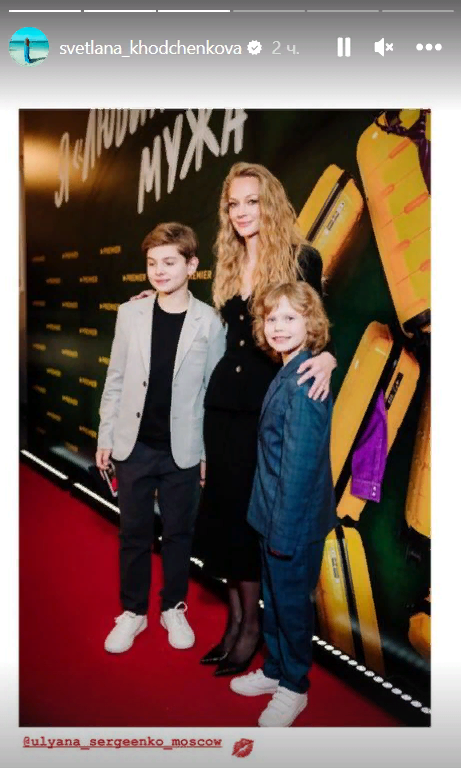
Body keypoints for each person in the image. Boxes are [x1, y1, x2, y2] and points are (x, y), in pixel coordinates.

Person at [194, 162, 337, 676]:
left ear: (269, 202)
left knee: (251, 521)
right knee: (224, 518)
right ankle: (235, 620)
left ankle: (252, 628)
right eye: (233, 203)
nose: (241, 212)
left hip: (265, 409)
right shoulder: (230, 261)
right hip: (222, 407)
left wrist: (329, 357)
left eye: (251, 201)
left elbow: (319, 323)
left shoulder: (301, 258)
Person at [96, 222, 225, 655]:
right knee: (133, 534)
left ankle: (173, 606)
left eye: (169, 262)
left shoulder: (210, 322)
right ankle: (133, 612)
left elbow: (211, 393)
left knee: (178, 535)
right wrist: (106, 436)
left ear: (192, 265)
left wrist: (206, 452)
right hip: (133, 446)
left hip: (181, 451)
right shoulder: (129, 314)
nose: (159, 271)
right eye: (152, 263)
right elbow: (115, 380)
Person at [229, 281, 338, 727]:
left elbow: (300, 468)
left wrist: (283, 533)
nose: (278, 326)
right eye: (272, 318)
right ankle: (275, 670)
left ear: (311, 323)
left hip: (292, 523)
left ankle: (294, 686)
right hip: (271, 515)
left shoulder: (307, 381)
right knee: (273, 601)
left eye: (290, 317)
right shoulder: (289, 369)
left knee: (291, 607)